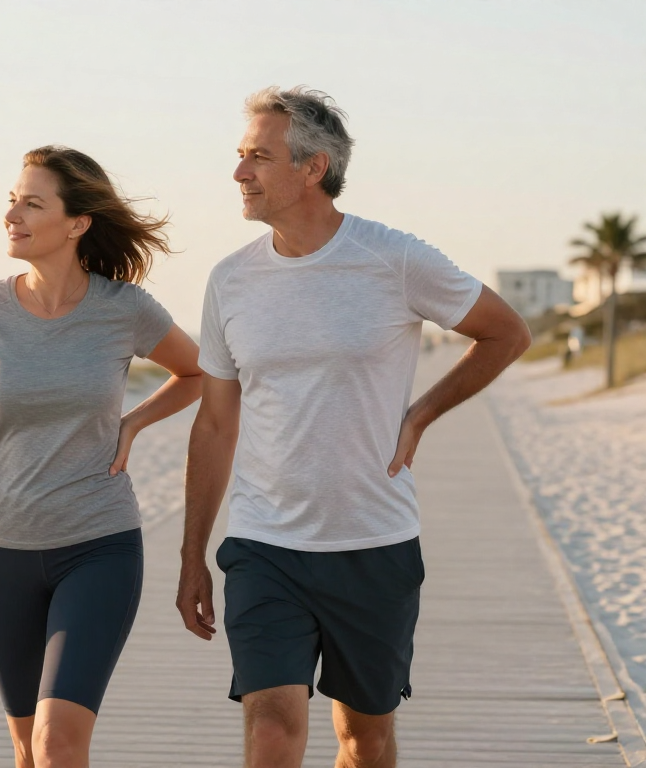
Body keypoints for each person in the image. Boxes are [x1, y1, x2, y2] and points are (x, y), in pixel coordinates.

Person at [176, 86, 531, 768]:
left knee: (363, 741)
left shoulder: (393, 258)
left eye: (258, 156)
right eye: (239, 156)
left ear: (313, 168)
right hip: (264, 543)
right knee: (272, 730)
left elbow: (505, 333)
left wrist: (422, 413)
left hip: (374, 542)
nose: (239, 173)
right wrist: (193, 553)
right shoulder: (229, 281)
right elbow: (216, 424)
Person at [0, 145, 202, 768]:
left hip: (98, 545)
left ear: (77, 223)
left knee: (57, 743)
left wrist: (135, 423)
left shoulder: (123, 308)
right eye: (12, 200)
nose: (13, 214)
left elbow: (196, 371)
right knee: (26, 748)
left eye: (32, 203)